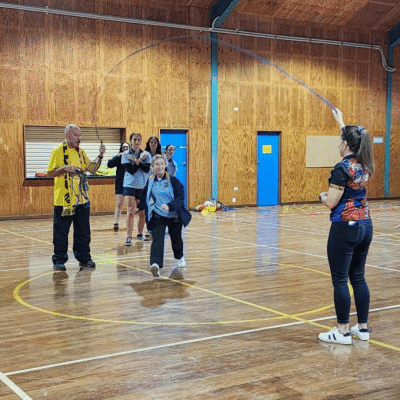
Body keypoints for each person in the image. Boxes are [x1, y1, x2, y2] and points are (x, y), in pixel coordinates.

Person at [318, 108, 375, 345]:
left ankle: (341, 331)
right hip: (365, 225)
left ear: (345, 144)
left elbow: (332, 202)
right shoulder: (365, 164)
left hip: (345, 228)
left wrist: (321, 195)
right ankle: (362, 329)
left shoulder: (342, 169)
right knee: (358, 277)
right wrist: (340, 120)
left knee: (340, 279)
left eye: (341, 140)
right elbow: (352, 136)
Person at [47, 124, 105, 271]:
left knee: (83, 232)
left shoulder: (81, 153)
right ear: (67, 136)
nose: (79, 138)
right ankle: (59, 260)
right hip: (64, 201)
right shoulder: (58, 152)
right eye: (76, 135)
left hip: (82, 200)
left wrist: (100, 156)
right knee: (61, 233)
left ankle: (84, 258)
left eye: (80, 135)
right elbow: (50, 173)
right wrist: (65, 168)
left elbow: (92, 169)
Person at [134, 154, 191, 277]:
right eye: (156, 164)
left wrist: (170, 206)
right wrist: (139, 207)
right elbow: (144, 195)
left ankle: (179, 256)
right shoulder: (150, 180)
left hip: (173, 215)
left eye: (161, 164)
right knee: (157, 238)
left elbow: (181, 196)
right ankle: (155, 264)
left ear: (165, 165)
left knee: (176, 240)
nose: (159, 166)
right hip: (158, 214)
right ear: (152, 167)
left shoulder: (173, 180)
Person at [121, 132, 151, 245]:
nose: (137, 142)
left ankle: (139, 234)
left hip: (142, 186)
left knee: (142, 212)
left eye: (139, 139)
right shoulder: (125, 154)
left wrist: (136, 160)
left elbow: (146, 169)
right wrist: (139, 161)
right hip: (129, 185)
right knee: (130, 211)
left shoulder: (146, 154)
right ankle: (129, 236)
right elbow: (131, 170)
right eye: (134, 139)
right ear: (131, 141)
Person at [107, 142, 130, 232]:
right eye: (123, 147)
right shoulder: (119, 157)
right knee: (119, 204)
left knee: (130, 206)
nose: (125, 148)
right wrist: (116, 156)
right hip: (120, 183)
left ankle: (129, 223)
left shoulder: (131, 157)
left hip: (129, 184)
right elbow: (109, 164)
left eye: (126, 147)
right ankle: (116, 223)